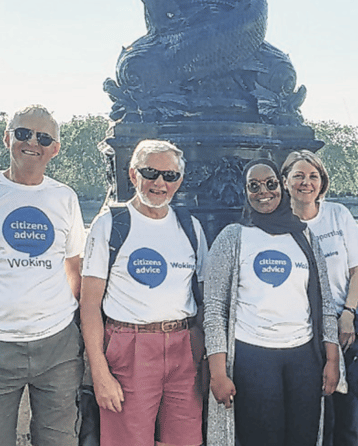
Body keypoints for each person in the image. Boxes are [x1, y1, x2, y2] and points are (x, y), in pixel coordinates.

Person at [203, 158, 339, 446]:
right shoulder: (232, 238)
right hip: (253, 357)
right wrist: (218, 373)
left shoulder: (304, 236)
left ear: (282, 186)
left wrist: (332, 359)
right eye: (254, 185)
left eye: (270, 184)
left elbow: (325, 302)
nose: (263, 191)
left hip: (303, 356)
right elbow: (214, 310)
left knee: (303, 436)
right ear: (245, 191)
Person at [80, 140, 207, 446]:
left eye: (170, 176)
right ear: (133, 174)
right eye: (150, 172)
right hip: (129, 347)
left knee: (185, 441)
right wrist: (99, 372)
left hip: (184, 348)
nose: (160, 183)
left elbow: (203, 297)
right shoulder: (110, 224)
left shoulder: (190, 226)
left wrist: (202, 356)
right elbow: (89, 303)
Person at [0, 105, 85, 446]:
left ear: (55, 148)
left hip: (57, 348)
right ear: (8, 138)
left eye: (43, 137)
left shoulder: (64, 198)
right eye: (23, 133)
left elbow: (73, 267)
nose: (31, 142)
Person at [280, 150, 358, 446]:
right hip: (301, 330)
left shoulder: (338, 214)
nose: (306, 183)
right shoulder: (277, 224)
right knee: (309, 413)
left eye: (313, 176)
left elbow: (357, 271)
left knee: (345, 417)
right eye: (299, 176)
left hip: (342, 325)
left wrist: (348, 314)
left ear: (322, 182)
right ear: (285, 181)